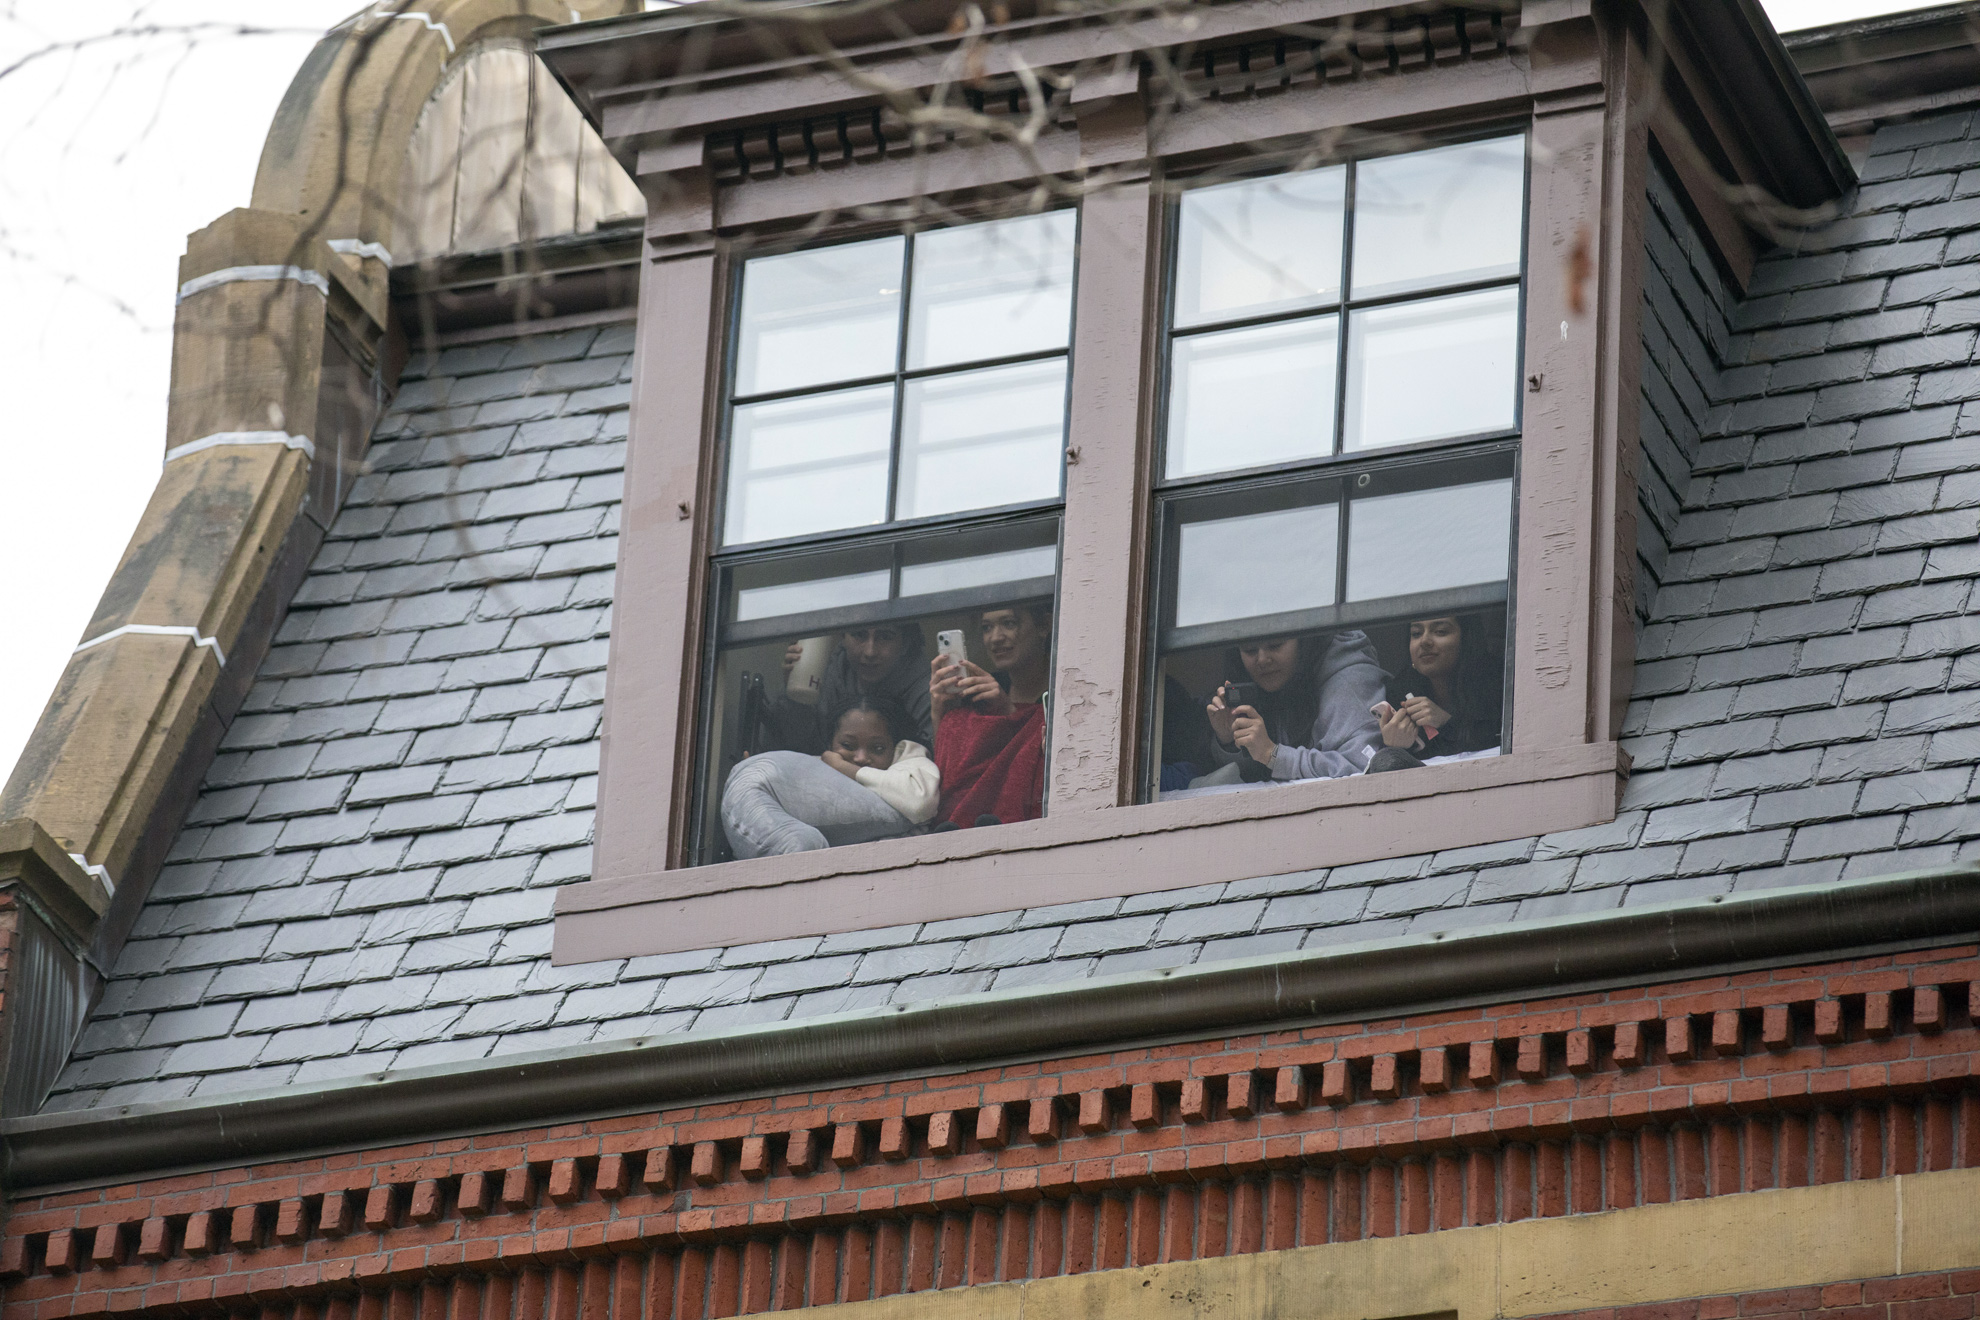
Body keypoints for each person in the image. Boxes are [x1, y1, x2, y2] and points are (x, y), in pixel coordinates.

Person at [721, 696, 939, 858]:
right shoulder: (812, 773)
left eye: (878, 748)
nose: (861, 757)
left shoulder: (908, 769)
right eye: (847, 745)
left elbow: (919, 801)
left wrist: (844, 767)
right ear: (829, 745)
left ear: (896, 749)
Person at [928, 603, 1051, 828]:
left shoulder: (1060, 695)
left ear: (1044, 626)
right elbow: (955, 781)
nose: (995, 638)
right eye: (986, 628)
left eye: (1008, 623)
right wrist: (941, 712)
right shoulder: (977, 697)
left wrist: (1008, 714)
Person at [1202, 634, 1384, 783]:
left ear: (1304, 641)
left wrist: (1273, 755)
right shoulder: (1281, 680)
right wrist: (1230, 740)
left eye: (1275, 644)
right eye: (1249, 650)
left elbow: (1364, 769)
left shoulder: (1349, 682)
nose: (1262, 659)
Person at [764, 624, 933, 753]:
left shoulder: (927, 689)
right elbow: (796, 751)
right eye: (859, 635)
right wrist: (794, 702)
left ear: (905, 644)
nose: (870, 652)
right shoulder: (827, 670)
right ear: (843, 637)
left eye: (885, 637)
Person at [1373, 614, 1504, 763]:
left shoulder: (1499, 684)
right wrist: (1394, 746)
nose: (1424, 641)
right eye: (1416, 633)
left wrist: (1446, 723)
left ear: (1466, 639)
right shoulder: (1400, 691)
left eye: (1440, 631)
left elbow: (1499, 750)